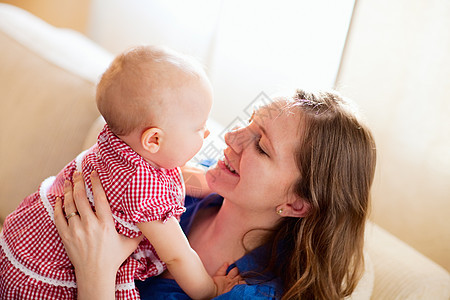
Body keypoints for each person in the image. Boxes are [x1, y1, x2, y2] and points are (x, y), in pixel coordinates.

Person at [55, 89, 377, 299]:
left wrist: (95, 270)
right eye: (249, 122)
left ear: (295, 203)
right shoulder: (193, 182)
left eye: (262, 148)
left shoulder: (250, 292)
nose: (232, 137)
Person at [0, 45, 238, 299]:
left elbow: (179, 177)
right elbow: (178, 256)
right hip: (42, 279)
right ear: (153, 140)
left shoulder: (119, 142)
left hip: (20, 245)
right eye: (199, 128)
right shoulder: (144, 189)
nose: (207, 133)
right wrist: (212, 289)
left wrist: (215, 183)